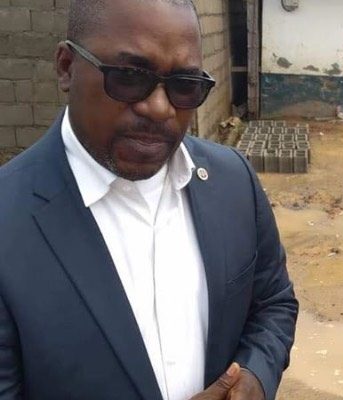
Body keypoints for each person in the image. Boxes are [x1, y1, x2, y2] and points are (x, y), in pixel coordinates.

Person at [0, 0, 298, 399]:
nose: (159, 108)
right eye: (129, 77)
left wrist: (253, 379)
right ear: (67, 67)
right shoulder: (9, 222)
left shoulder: (233, 181)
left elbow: (273, 303)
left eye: (184, 85)